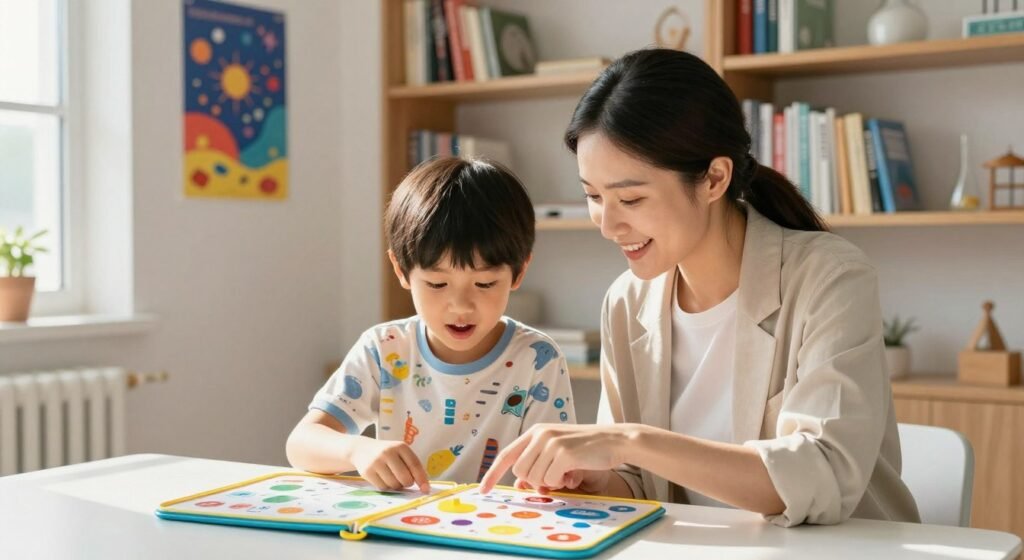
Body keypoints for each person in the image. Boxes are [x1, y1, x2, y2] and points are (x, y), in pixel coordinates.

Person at [479, 48, 920, 528]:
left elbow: (822, 475)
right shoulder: (627, 302)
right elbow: (640, 483)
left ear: (714, 178)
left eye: (630, 197)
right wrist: (597, 478)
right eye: (593, 196)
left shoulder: (829, 277)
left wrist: (629, 441)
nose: (607, 224)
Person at [287, 156, 576, 492]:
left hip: (496, 533)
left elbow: (558, 474)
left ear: (519, 272)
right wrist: (357, 449)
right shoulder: (385, 348)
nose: (461, 306)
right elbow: (301, 443)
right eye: (437, 284)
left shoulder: (538, 359)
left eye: (484, 284)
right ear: (400, 270)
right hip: (404, 531)